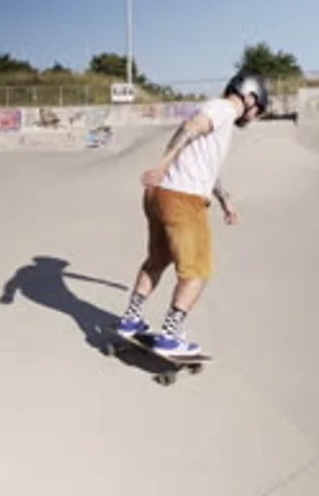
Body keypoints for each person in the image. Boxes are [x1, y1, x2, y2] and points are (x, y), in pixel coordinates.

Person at [115, 71, 270, 356]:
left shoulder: (216, 113)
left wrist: (224, 200)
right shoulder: (224, 109)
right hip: (183, 198)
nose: (255, 116)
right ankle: (170, 335)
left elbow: (206, 165)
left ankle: (131, 319)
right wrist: (163, 163)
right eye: (258, 109)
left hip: (159, 194)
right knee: (197, 270)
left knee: (158, 259)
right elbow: (190, 127)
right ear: (250, 97)